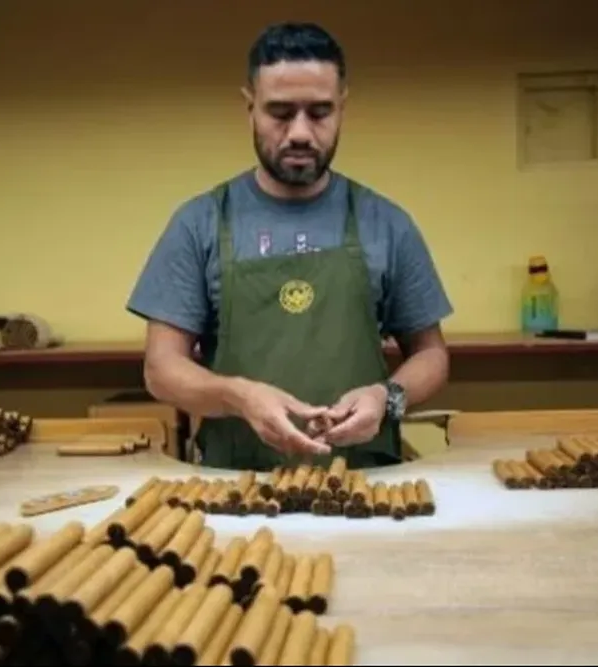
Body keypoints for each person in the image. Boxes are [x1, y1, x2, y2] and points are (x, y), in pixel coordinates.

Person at [126, 22, 453, 471]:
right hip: (237, 485)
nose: (299, 132)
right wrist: (239, 397)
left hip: (367, 485)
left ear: (342, 108)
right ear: (250, 109)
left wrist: (387, 397)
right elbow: (161, 369)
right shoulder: (200, 223)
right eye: (280, 112)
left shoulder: (386, 223)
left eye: (319, 112)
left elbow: (431, 355)